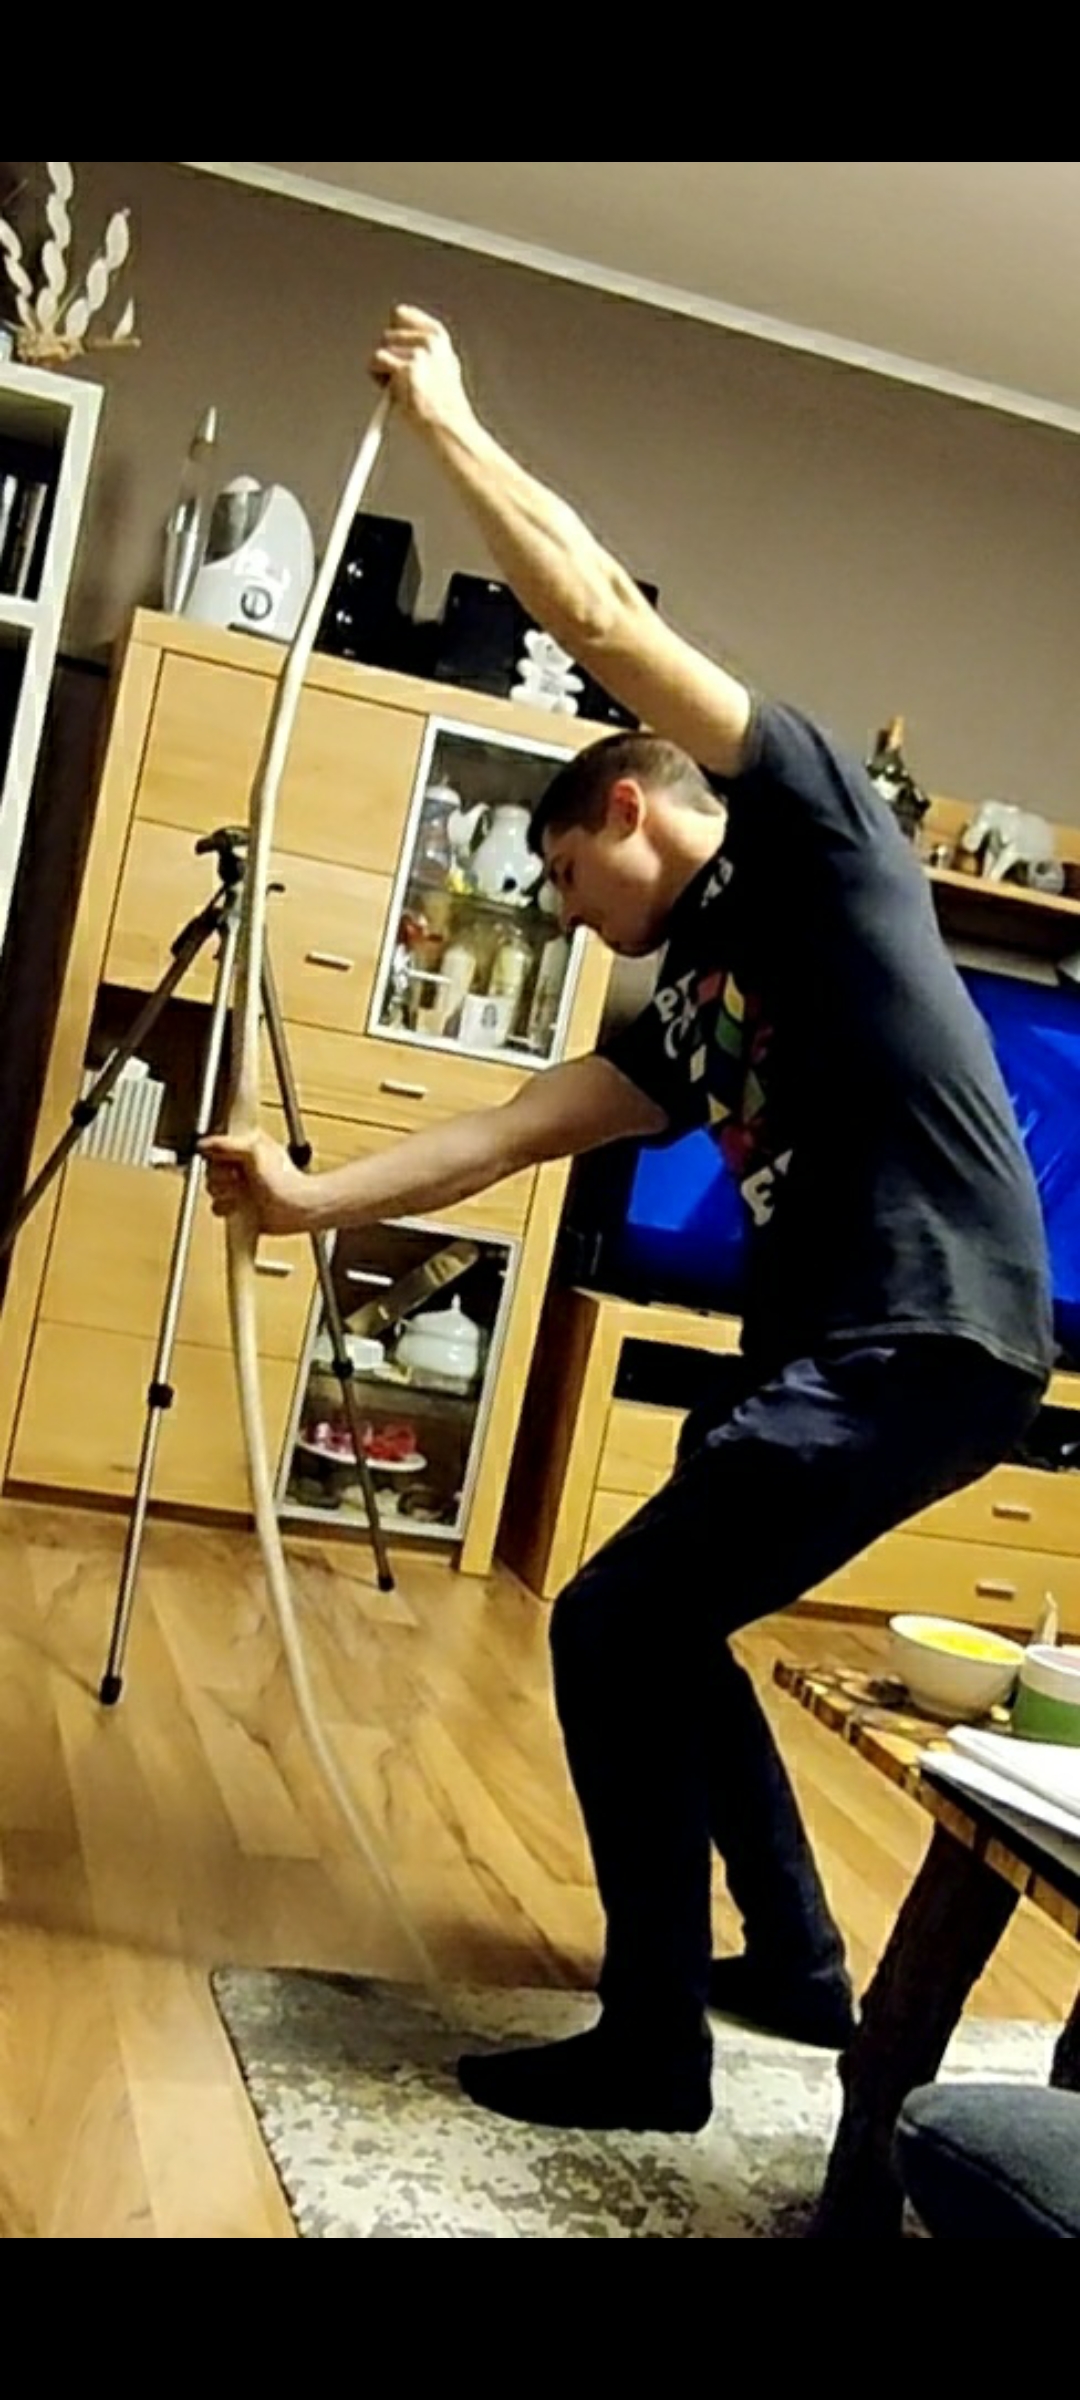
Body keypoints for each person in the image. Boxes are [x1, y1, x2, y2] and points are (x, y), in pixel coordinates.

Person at [203, 307, 1053, 2137]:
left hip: (924, 1330)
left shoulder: (816, 832)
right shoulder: (683, 1012)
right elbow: (509, 1131)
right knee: (675, 1622)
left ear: (623, 808)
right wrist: (307, 1199)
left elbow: (592, 609)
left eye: (568, 875)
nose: (571, 915)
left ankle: (655, 2046)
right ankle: (801, 1964)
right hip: (871, 1354)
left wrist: (448, 415)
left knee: (608, 1625)